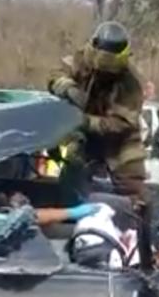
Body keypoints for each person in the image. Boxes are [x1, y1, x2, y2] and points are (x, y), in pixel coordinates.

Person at [48, 21, 147, 199]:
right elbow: (56, 73)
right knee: (68, 178)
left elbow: (120, 124)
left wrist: (84, 121)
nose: (103, 74)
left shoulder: (131, 84)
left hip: (120, 143)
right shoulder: (82, 58)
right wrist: (68, 88)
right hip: (80, 137)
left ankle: (136, 220)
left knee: (135, 191)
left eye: (109, 71)